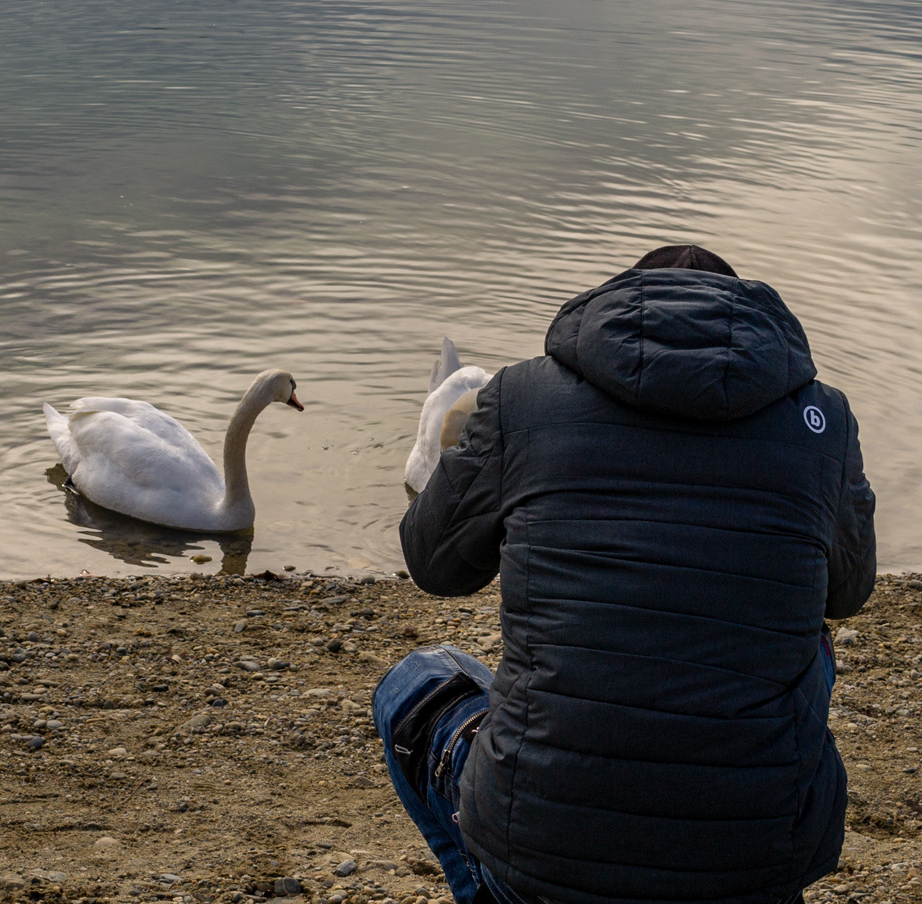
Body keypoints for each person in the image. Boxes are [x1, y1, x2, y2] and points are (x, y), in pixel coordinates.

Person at [375, 245, 876, 904]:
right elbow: (850, 590)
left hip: (541, 850)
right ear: (755, 326)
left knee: (417, 679)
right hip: (759, 862)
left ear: (615, 308)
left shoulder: (519, 397)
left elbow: (431, 563)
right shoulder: (825, 421)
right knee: (811, 645)